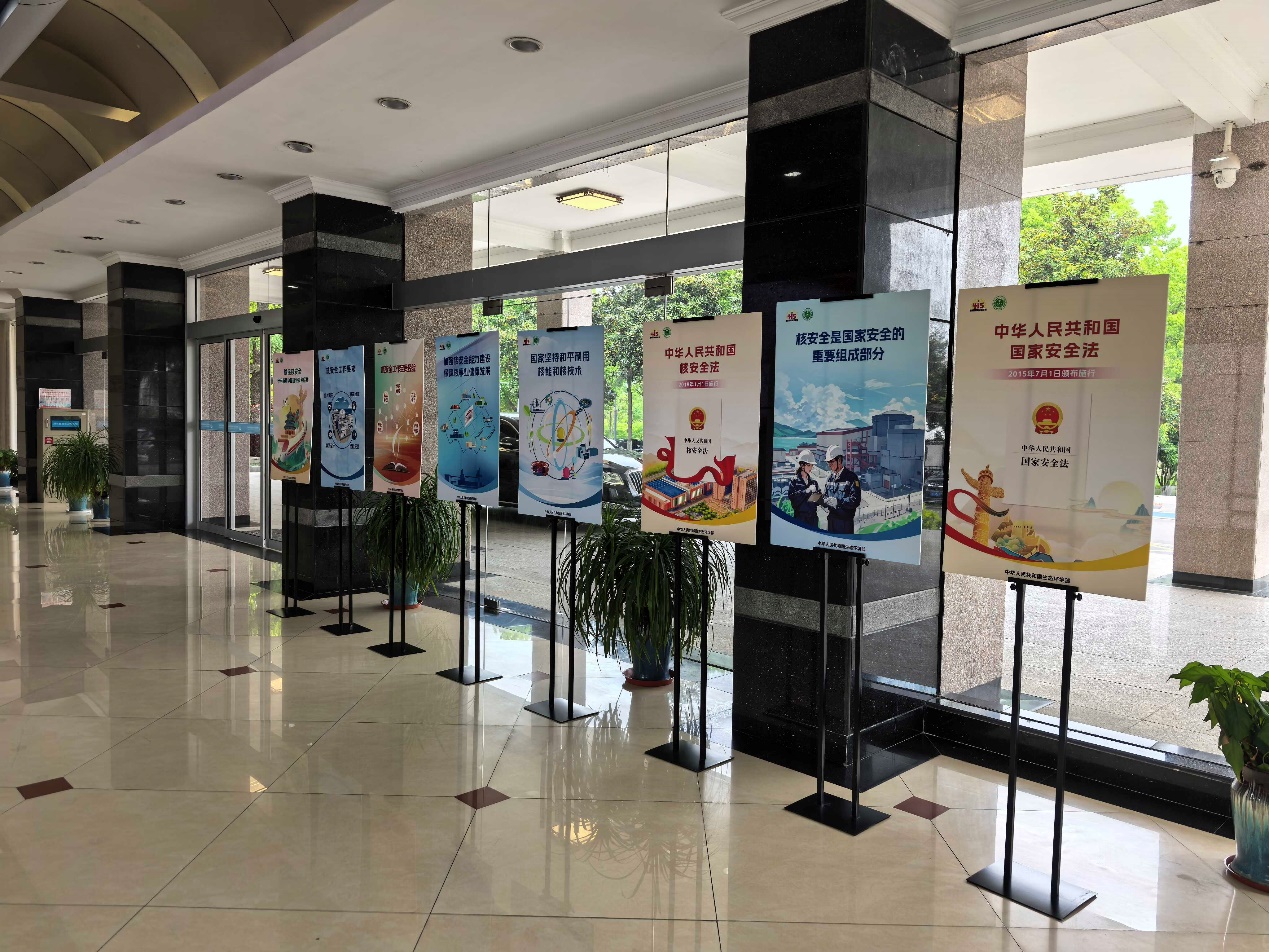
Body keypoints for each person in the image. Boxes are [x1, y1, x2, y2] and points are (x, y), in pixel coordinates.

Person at [821, 444, 860, 534]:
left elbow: (855, 500)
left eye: (831, 462)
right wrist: (823, 501)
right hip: (831, 522)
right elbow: (825, 496)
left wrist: (838, 502)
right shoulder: (829, 479)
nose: (829, 465)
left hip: (845, 524)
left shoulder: (851, 477)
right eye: (828, 462)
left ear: (839, 460)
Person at [787, 450, 822, 527]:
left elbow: (818, 501)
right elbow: (793, 499)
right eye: (809, 465)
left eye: (812, 465)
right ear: (802, 466)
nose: (811, 468)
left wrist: (816, 496)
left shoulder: (814, 482)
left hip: (813, 519)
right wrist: (806, 491)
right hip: (800, 519)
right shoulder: (794, 481)